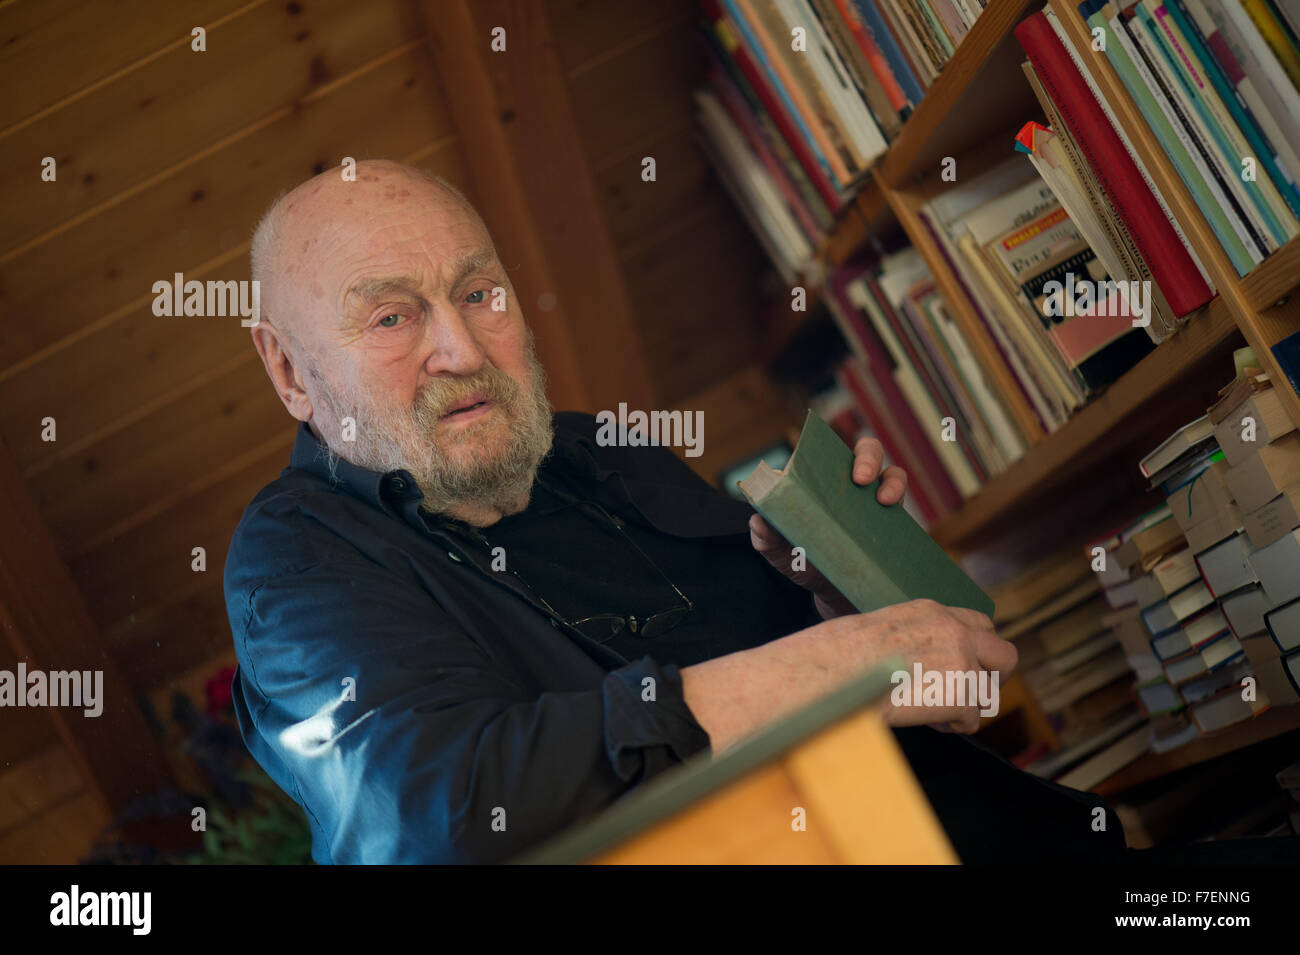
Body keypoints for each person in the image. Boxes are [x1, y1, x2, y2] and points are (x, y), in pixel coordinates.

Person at [224, 159, 1126, 864]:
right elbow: (439, 815)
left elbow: (934, 701)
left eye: (476, 293)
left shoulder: (601, 451)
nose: (459, 347)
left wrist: (837, 594)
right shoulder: (295, 561)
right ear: (290, 371)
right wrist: (851, 663)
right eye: (391, 319)